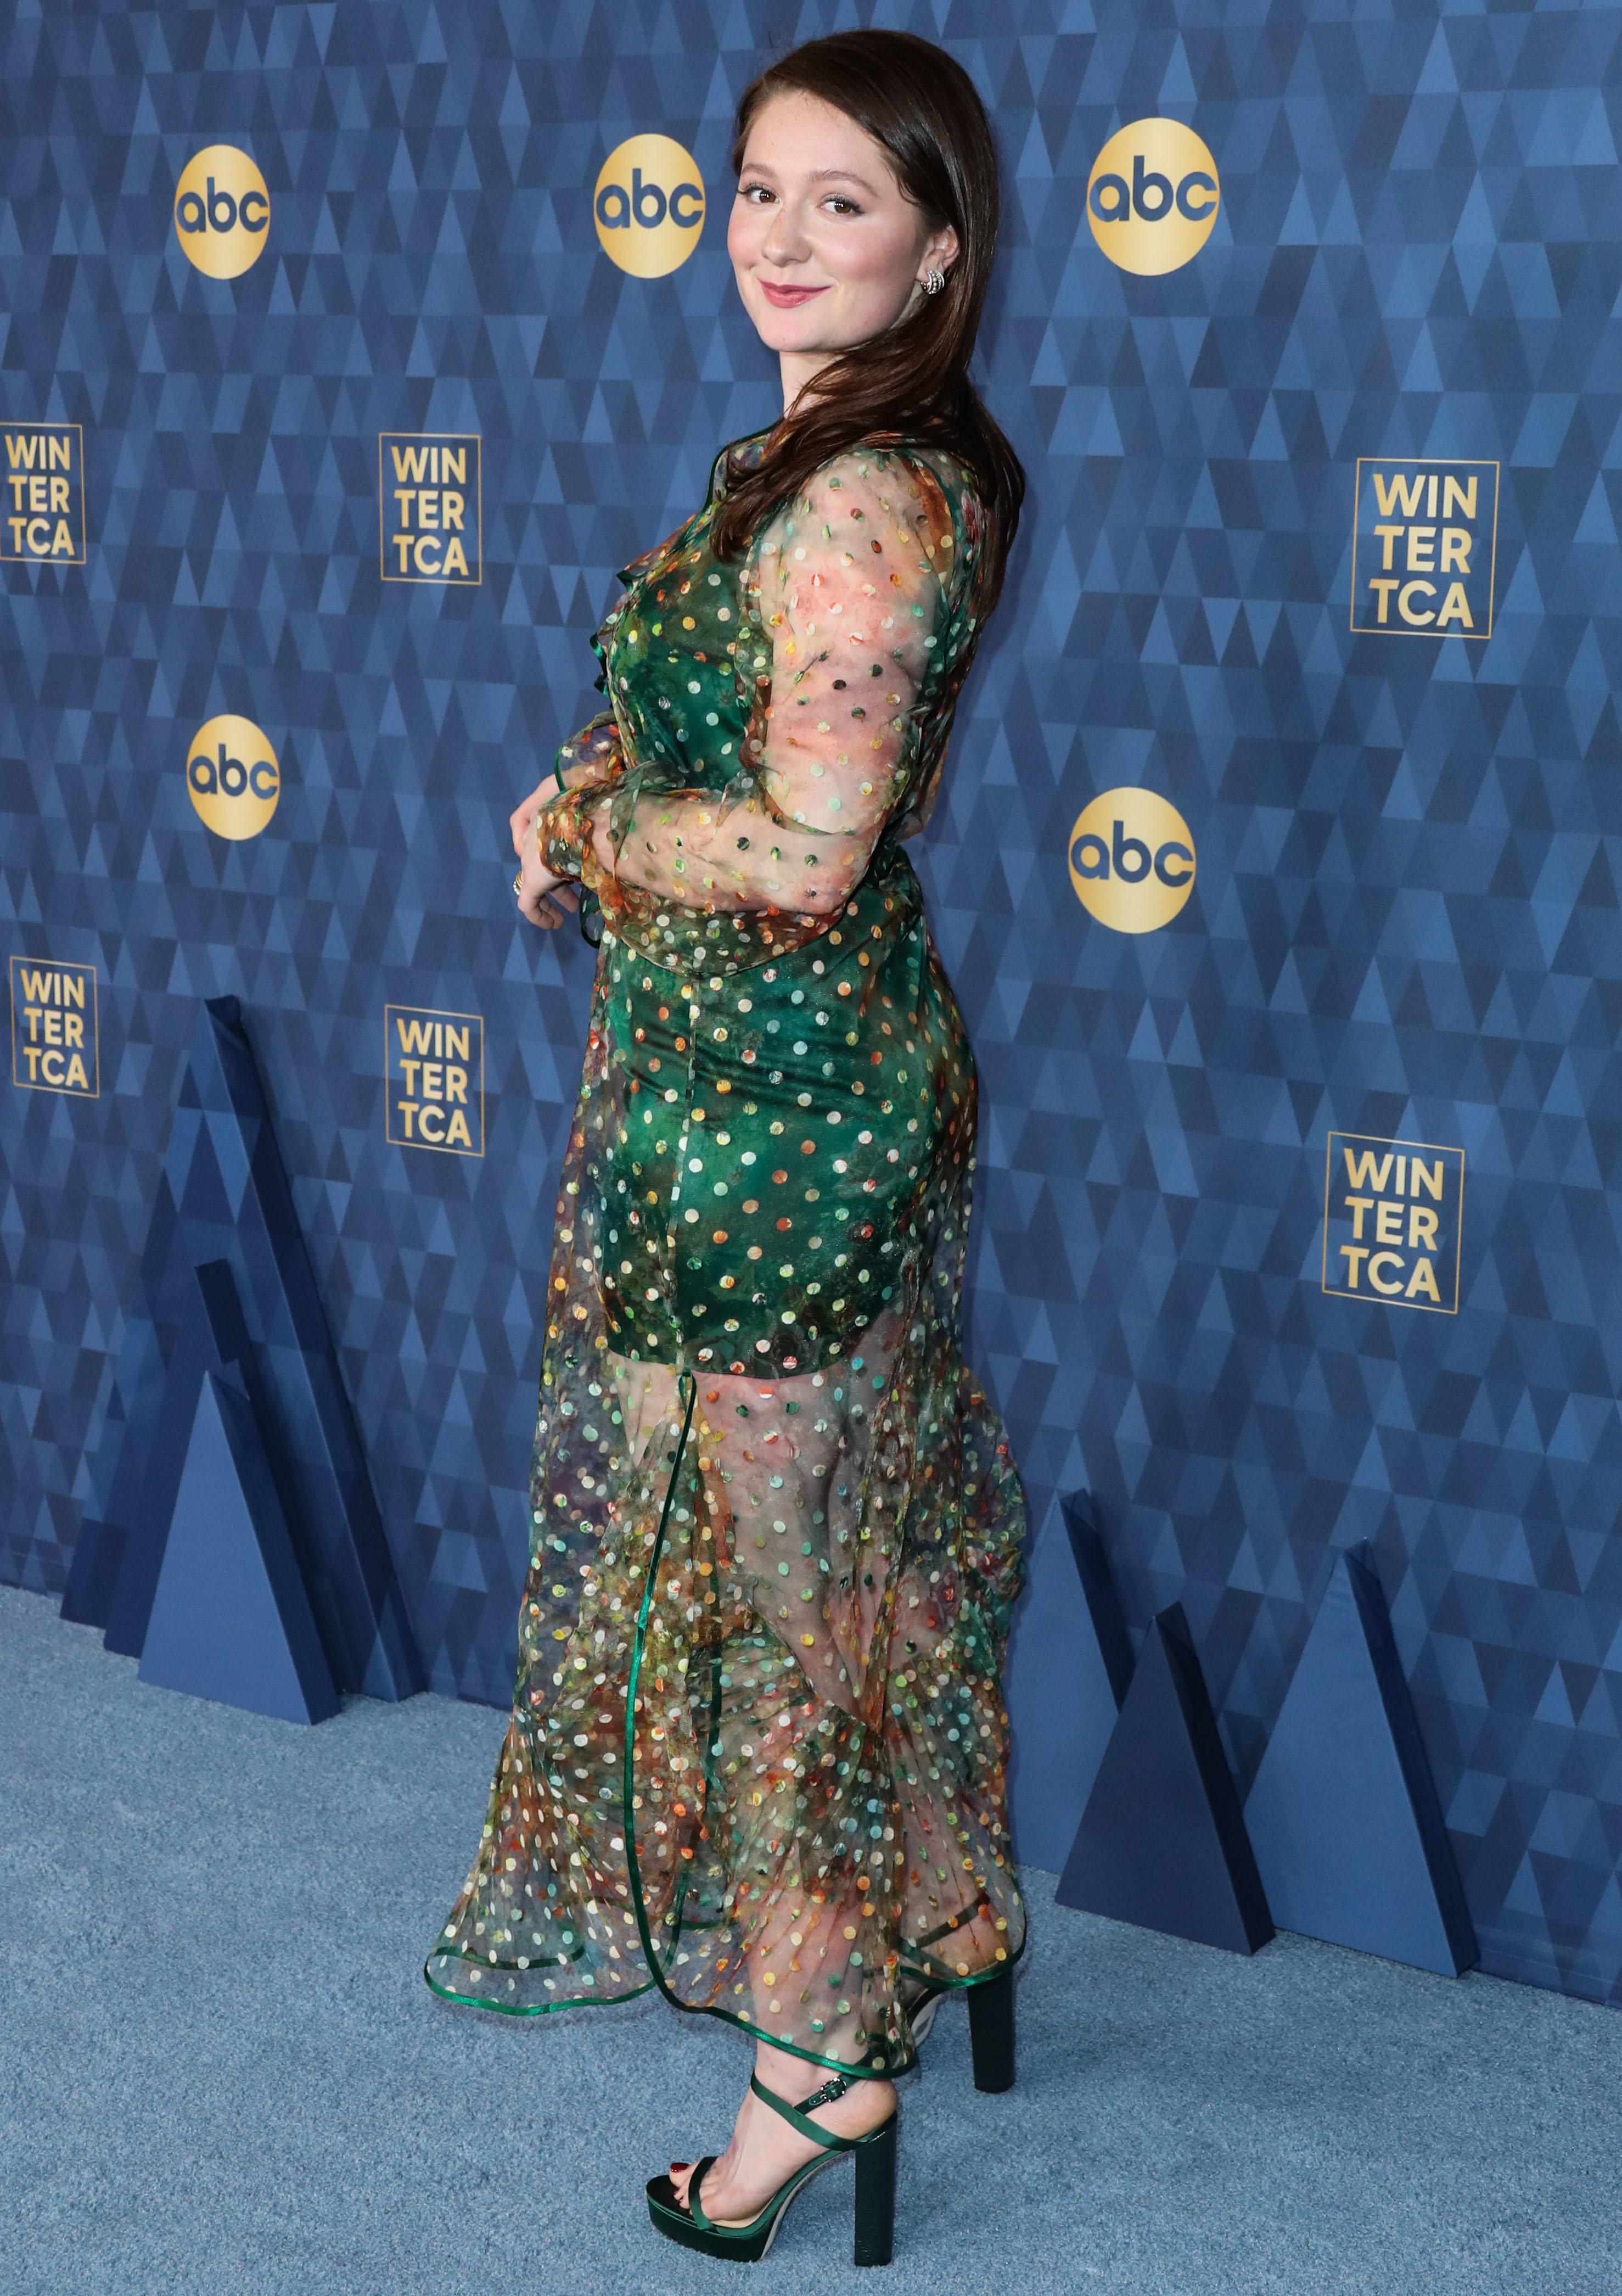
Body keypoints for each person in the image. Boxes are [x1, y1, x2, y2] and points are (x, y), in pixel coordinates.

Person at [425, 27, 1030, 2267]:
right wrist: (592, 773)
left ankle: (813, 2069)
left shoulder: (863, 494)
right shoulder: (830, 450)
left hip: (775, 1126)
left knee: (781, 1603)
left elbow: (804, 843)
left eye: (840, 201)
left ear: (937, 248)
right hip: (763, 1089)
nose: (779, 236)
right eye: (756, 189)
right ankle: (948, 1914)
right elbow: (758, 734)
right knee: (864, 1545)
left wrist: (592, 829)